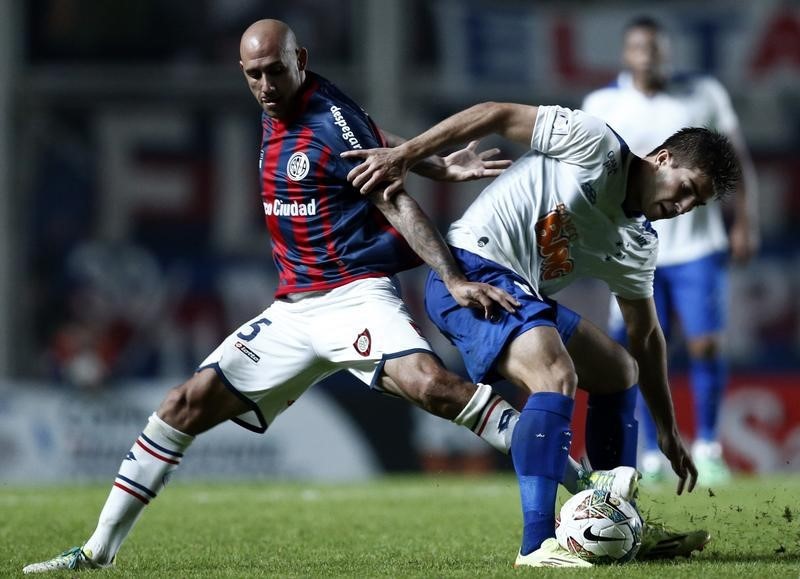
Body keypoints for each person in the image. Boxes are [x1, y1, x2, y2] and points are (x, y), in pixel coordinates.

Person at [22, 19, 637, 574]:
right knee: (182, 404)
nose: (265, 84)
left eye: (275, 70)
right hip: (294, 310)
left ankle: (584, 492)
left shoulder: (319, 110)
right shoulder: (283, 107)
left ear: (302, 58)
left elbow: (391, 196)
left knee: (433, 387)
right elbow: (367, 138)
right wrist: (434, 162)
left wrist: (451, 276)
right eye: (254, 74)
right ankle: (94, 553)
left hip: (356, 296)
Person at [343, 99, 741, 566]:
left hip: (521, 293)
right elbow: (495, 113)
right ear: (663, 159)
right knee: (556, 375)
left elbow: (647, 337)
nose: (684, 206)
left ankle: (616, 522)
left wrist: (669, 430)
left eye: (698, 202)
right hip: (469, 272)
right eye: (688, 188)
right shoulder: (596, 145)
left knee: (618, 369)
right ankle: (535, 544)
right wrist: (405, 155)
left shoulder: (637, 241)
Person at [581, 16, 759, 487]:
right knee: (640, 346)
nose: (650, 56)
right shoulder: (603, 103)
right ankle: (646, 452)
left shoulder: (705, 94)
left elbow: (736, 162)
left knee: (705, 343)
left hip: (698, 244)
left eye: (658, 48)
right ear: (626, 53)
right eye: (641, 48)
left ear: (668, 52)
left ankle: (709, 444)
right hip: (634, 247)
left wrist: (744, 220)